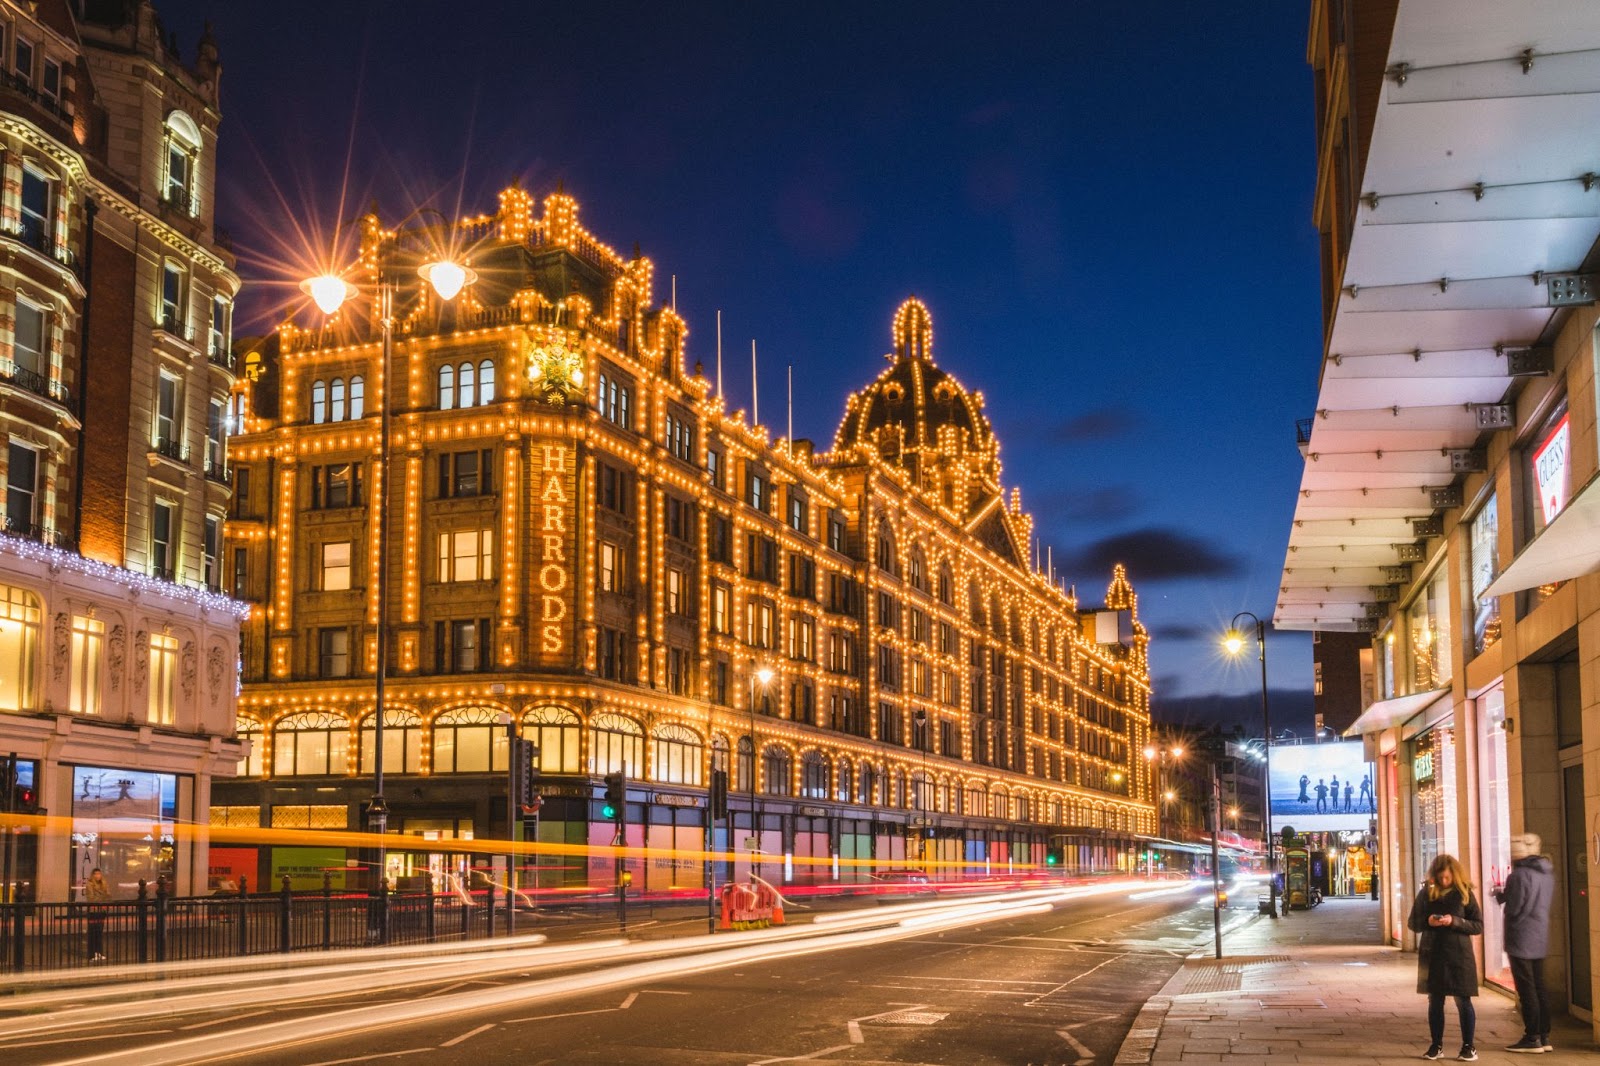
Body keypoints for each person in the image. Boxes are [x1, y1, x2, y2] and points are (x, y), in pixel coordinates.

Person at [1408, 854, 1483, 1061]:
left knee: (1463, 1000)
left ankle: (1469, 1046)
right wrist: (1428, 921)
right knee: (1435, 1001)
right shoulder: (1427, 893)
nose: (1443, 881)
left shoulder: (1464, 893)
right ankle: (1436, 1045)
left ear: (1454, 875)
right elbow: (1413, 922)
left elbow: (1478, 925)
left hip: (1459, 955)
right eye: (1440, 877)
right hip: (1433, 953)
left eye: (1447, 878)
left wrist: (1455, 921)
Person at [1493, 833, 1554, 1053]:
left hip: (1521, 937)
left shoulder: (1519, 876)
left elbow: (1516, 907)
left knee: (1526, 988)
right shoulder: (1546, 873)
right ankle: (1544, 1035)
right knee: (1539, 986)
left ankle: (1532, 1037)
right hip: (1539, 935)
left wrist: (1504, 898)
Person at [84, 867, 111, 961]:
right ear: (93, 875)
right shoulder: (89, 884)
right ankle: (92, 954)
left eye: (99, 874)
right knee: (92, 932)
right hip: (93, 911)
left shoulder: (104, 883)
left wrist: (100, 896)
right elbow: (91, 898)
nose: (98, 876)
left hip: (102, 911)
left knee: (99, 932)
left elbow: (108, 896)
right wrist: (102, 896)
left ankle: (99, 952)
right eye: (96, 874)